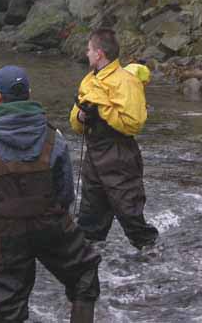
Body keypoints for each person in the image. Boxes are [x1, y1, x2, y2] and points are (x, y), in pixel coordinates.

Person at [0, 65, 100, 322]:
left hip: (3, 237)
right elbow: (66, 194)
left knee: (9, 310)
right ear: (29, 94)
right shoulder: (54, 136)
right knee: (85, 276)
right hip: (51, 226)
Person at [70, 28, 158, 250]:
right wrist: (81, 116)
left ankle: (154, 255)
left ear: (99, 53)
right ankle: (88, 260)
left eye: (89, 49)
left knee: (129, 213)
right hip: (94, 154)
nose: (87, 53)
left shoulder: (126, 82)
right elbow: (75, 122)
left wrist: (101, 109)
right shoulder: (89, 80)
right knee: (90, 217)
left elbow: (133, 123)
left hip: (119, 155)